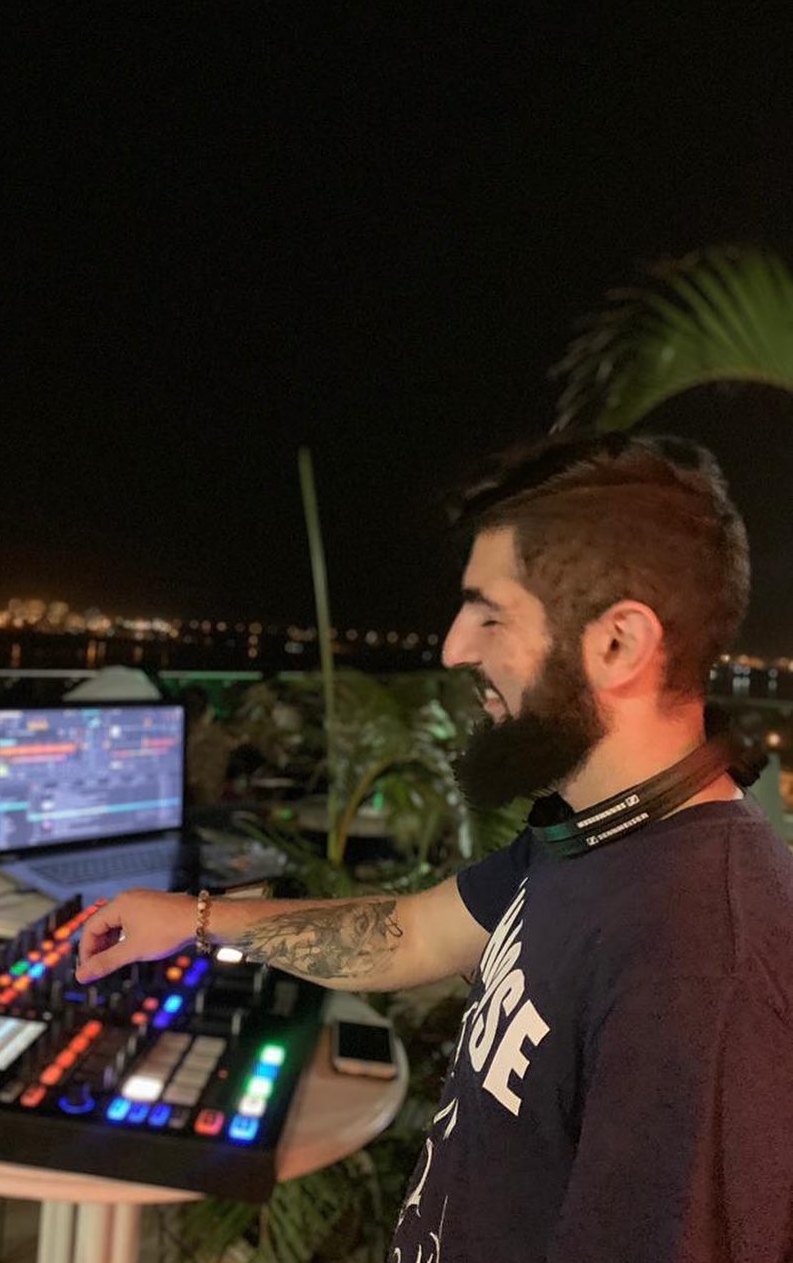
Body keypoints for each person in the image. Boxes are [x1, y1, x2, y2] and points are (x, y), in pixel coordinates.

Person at [77, 432, 793, 1263]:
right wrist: (194, 919)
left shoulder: (707, 966)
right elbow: (410, 933)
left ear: (618, 644)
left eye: (490, 614)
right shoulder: (592, 834)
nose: (454, 647)